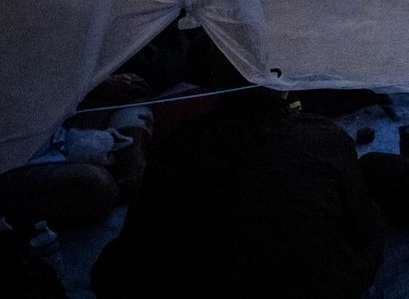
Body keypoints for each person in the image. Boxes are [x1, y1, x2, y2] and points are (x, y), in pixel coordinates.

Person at [91, 40, 382, 299]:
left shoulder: (179, 147)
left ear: (215, 79)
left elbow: (129, 259)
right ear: (283, 76)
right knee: (373, 229)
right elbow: (363, 227)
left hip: (212, 281)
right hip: (321, 286)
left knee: (113, 268)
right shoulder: (326, 137)